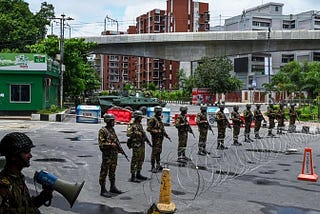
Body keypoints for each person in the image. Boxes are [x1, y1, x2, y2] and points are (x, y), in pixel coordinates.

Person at [0, 132, 53, 214]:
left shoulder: (18, 178)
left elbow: (25, 205)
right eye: (26, 152)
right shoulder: (3, 185)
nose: (30, 155)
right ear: (13, 156)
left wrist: (43, 197)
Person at [98, 114, 122, 198]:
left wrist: (119, 149)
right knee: (104, 172)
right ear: (108, 121)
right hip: (107, 156)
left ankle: (112, 187)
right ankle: (103, 189)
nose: (114, 122)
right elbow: (101, 144)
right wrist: (111, 145)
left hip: (114, 155)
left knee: (112, 171)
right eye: (112, 120)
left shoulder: (112, 130)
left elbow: (116, 141)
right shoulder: (103, 131)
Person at [147, 106, 170, 173]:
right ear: (157, 112)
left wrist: (166, 135)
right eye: (160, 111)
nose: (161, 112)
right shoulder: (153, 119)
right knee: (154, 152)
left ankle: (158, 164)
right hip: (155, 139)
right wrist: (156, 131)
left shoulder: (159, 119)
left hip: (160, 138)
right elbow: (148, 129)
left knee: (159, 152)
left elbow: (162, 128)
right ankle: (152, 166)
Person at [127, 110, 148, 182]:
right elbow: (128, 134)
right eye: (140, 117)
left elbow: (143, 134)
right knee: (135, 160)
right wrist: (136, 133)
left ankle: (138, 173)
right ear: (137, 117)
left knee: (141, 158)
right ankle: (133, 176)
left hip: (141, 144)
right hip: (136, 144)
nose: (141, 118)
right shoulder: (132, 124)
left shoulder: (139, 124)